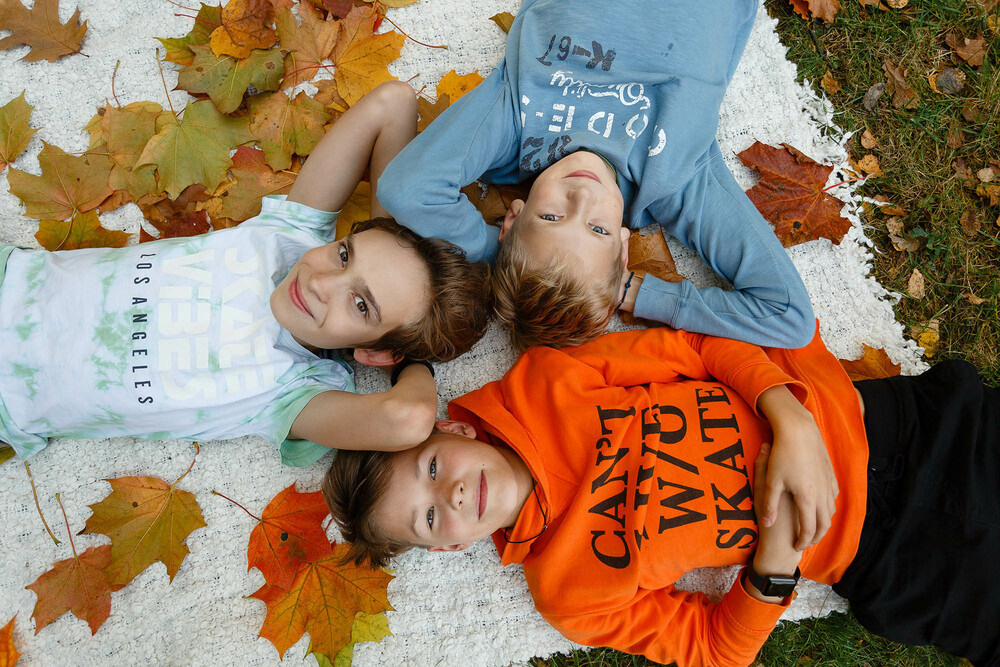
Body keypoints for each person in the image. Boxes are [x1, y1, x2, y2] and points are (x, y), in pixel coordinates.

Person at [324, 325, 999, 666]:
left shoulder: (551, 379)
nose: (454, 493)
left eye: (434, 465)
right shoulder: (570, 594)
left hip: (897, 427)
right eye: (431, 515)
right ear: (451, 544)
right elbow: (712, 649)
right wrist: (776, 554)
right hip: (895, 557)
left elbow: (703, 345)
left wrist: (787, 416)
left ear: (454, 426)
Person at [0, 82, 491, 467]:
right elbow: (393, 103)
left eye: (361, 304)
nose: (320, 282)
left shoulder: (295, 390)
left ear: (375, 350)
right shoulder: (288, 237)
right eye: (344, 255)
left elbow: (403, 420)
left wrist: (409, 359)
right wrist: (390, 231)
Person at [377, 0, 814, 350]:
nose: (581, 198)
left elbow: (407, 189)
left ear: (510, 220)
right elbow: (788, 317)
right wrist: (631, 293)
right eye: (599, 229)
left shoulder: (516, 121)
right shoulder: (675, 181)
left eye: (550, 219)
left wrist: (501, 261)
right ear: (624, 252)